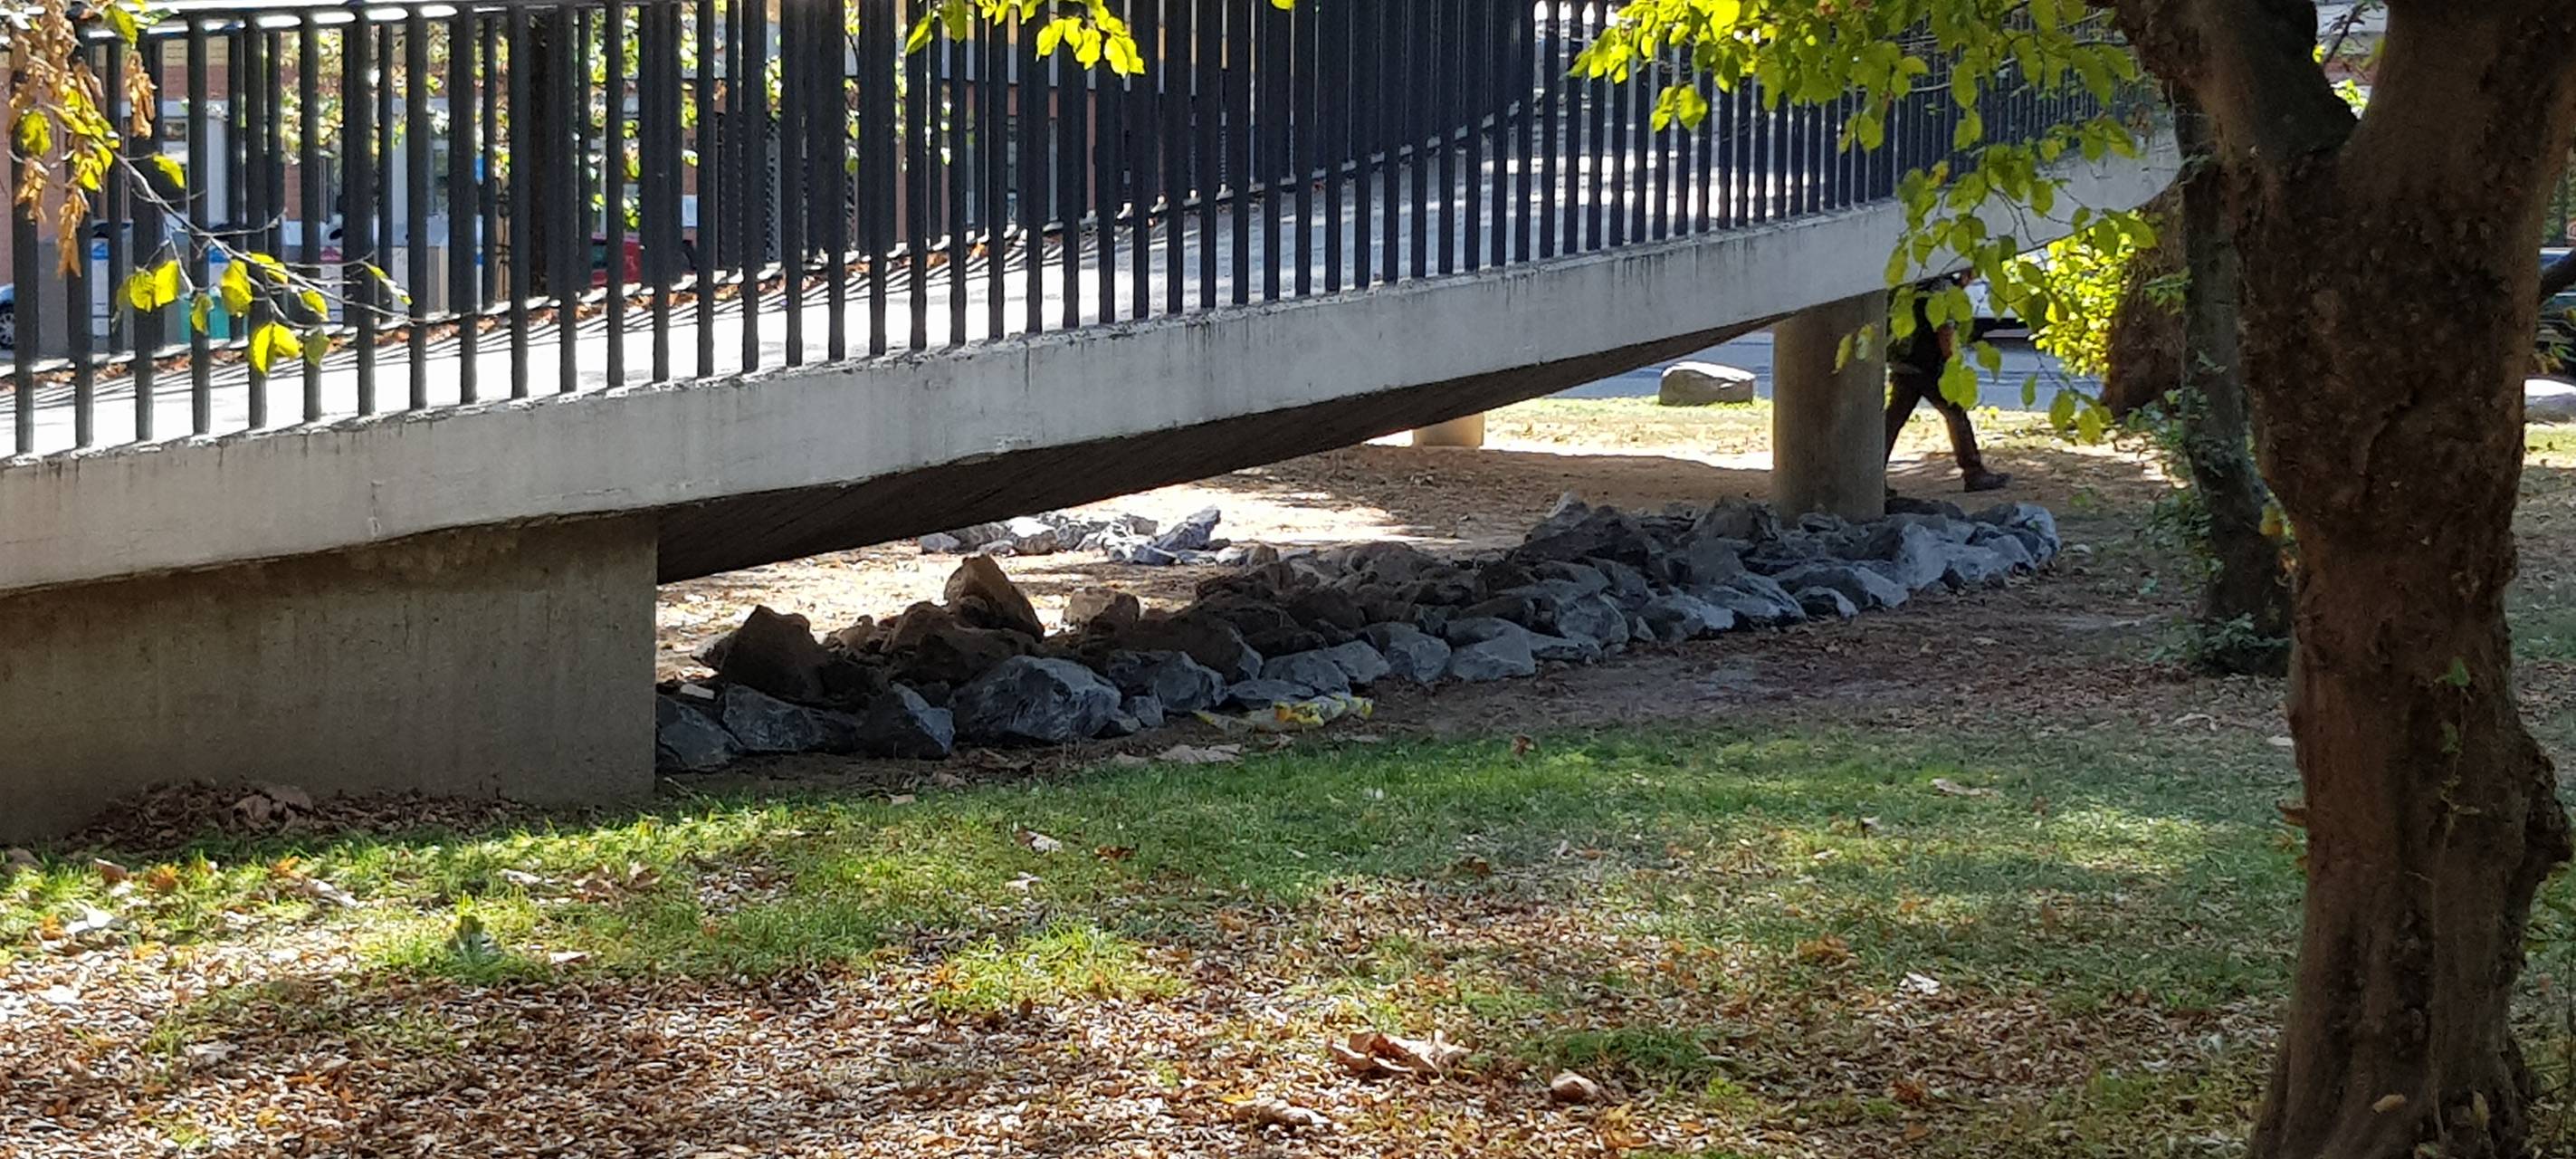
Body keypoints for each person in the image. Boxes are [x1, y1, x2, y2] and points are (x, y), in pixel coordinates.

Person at [1884, 274, 2011, 493]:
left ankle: (1872, 475)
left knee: (1891, 422)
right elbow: (1945, 329)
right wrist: (1952, 364)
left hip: (1904, 362)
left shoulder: (1911, 284)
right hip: (1928, 365)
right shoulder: (1943, 288)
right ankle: (1974, 473)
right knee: (1956, 414)